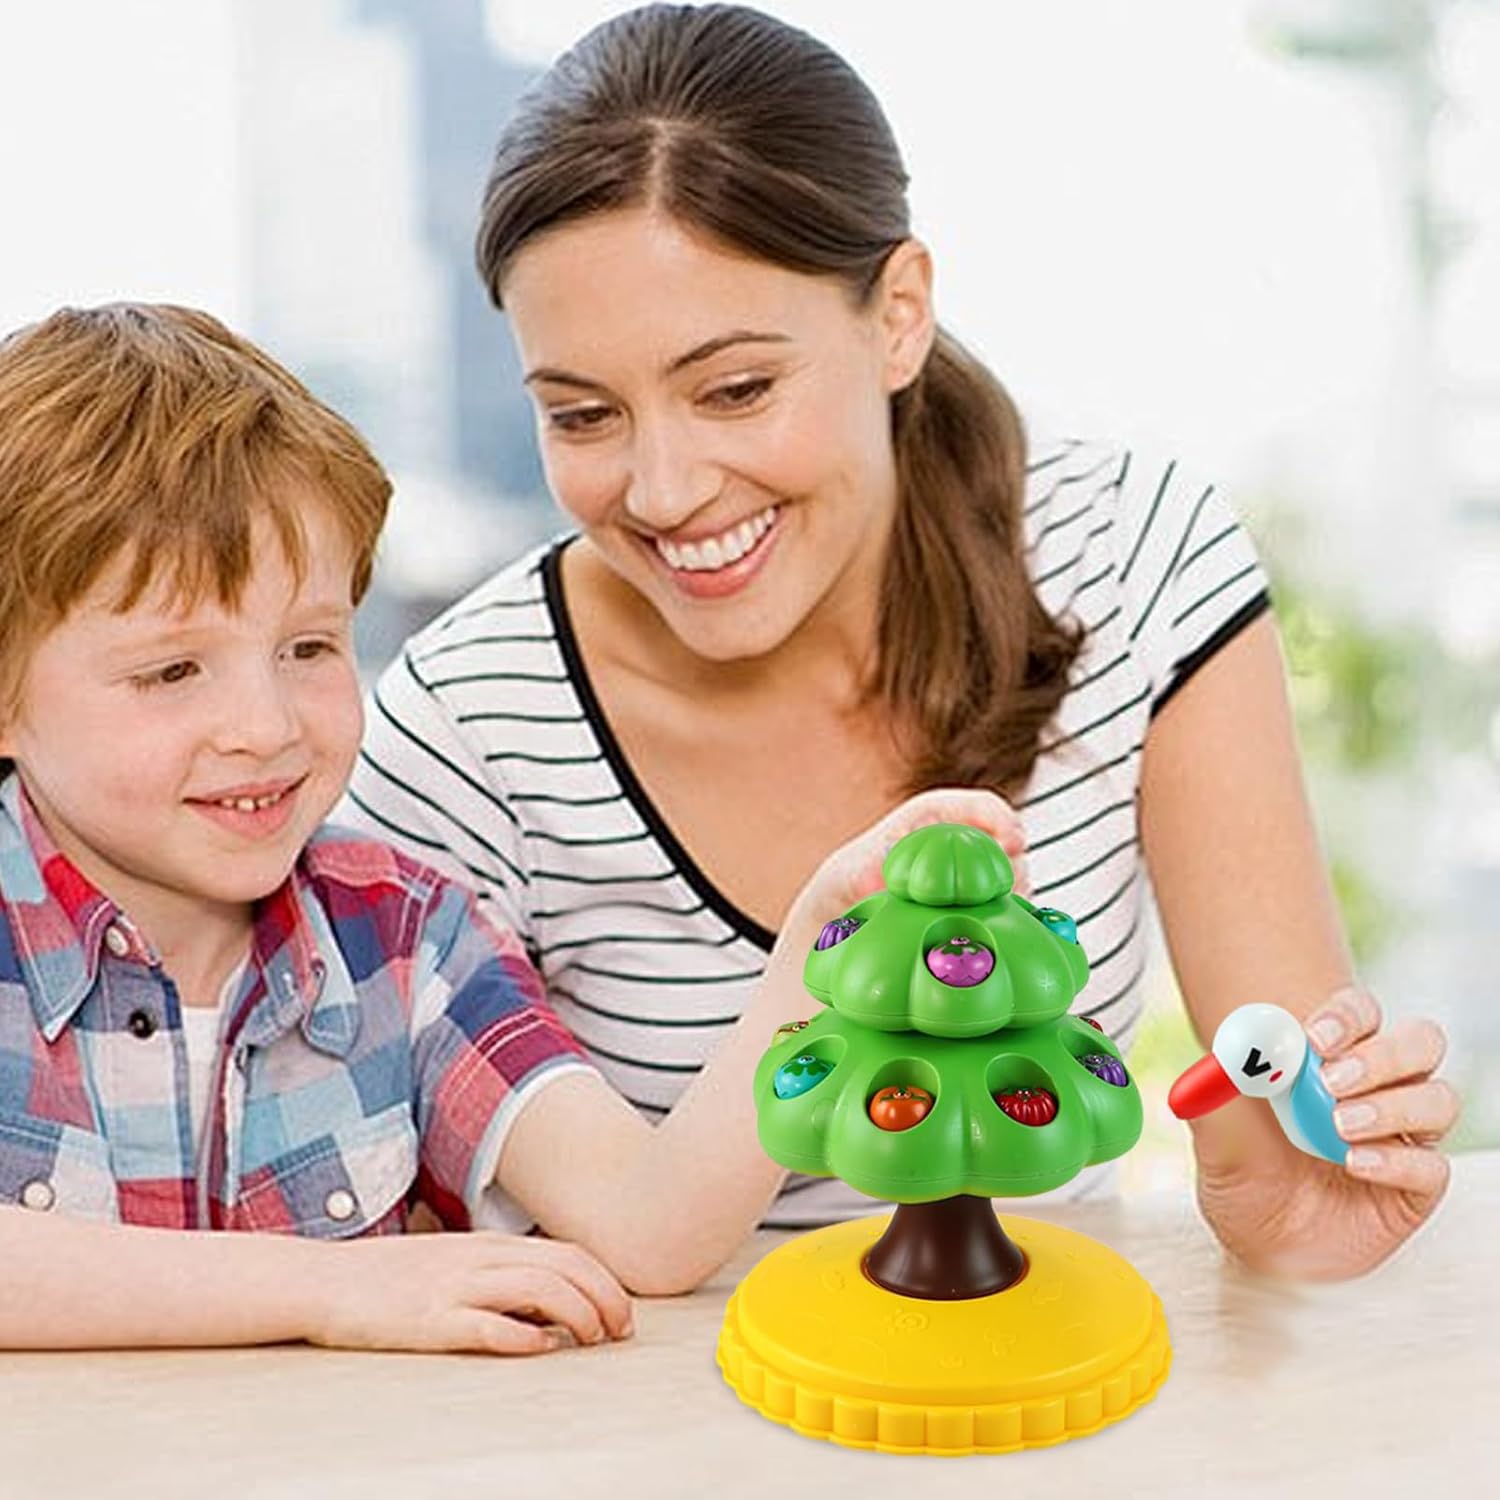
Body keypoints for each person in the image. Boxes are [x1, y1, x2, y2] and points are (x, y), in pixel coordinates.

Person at [344, 2, 1459, 1281]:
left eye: (736, 390)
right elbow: (420, 1231)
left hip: (1039, 1369)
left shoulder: (1133, 558)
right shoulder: (466, 729)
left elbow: (1281, 1111)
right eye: (583, 415)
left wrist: (1293, 1199)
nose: (663, 490)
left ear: (899, 315)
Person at [0, 302, 984, 1353]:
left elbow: (650, 1227)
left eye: (309, 648)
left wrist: (819, 958)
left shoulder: (407, 937)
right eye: (171, 672)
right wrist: (333, 1290)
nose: (267, 726)